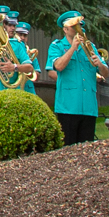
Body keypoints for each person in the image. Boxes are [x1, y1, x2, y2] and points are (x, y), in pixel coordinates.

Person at [44, 14, 101, 144]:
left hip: (88, 105)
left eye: (80, 25)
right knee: (68, 148)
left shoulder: (90, 46)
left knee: (87, 148)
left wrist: (101, 64)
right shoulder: (57, 46)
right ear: (65, 29)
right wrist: (72, 48)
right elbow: (58, 66)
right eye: (73, 26)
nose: (77, 28)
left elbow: (106, 73)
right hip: (68, 106)